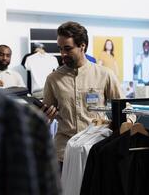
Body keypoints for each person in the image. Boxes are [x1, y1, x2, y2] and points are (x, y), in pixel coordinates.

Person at [42, 21, 134, 166]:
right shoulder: (53, 79)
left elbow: (126, 108)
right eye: (60, 49)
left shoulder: (105, 74)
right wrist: (45, 117)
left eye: (68, 48)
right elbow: (43, 118)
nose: (63, 54)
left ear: (82, 46)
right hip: (64, 153)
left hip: (97, 150)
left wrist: (127, 124)